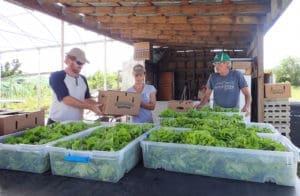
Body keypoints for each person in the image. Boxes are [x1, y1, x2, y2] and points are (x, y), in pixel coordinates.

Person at [47, 48, 102, 124]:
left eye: (83, 63)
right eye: (79, 62)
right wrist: (90, 107)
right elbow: (66, 99)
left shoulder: (83, 79)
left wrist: (100, 105)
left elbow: (86, 99)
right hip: (57, 123)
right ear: (69, 60)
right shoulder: (56, 76)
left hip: (77, 124)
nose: (81, 66)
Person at [195, 51, 252, 116]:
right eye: (215, 64)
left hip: (233, 112)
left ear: (227, 64)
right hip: (217, 112)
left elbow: (247, 94)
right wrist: (200, 105)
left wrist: (246, 106)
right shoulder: (213, 77)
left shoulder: (237, 75)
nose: (216, 66)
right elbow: (207, 95)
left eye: (219, 63)